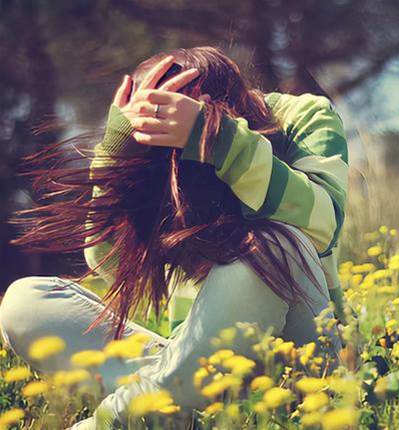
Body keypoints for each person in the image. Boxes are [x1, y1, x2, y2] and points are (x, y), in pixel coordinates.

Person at [0, 46, 350, 429]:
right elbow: (108, 262)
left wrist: (219, 140)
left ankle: (125, 418)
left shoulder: (302, 117)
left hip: (298, 374)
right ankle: (180, 410)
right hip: (192, 368)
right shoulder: (153, 154)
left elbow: (322, 223)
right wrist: (116, 155)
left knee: (273, 246)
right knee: (25, 302)